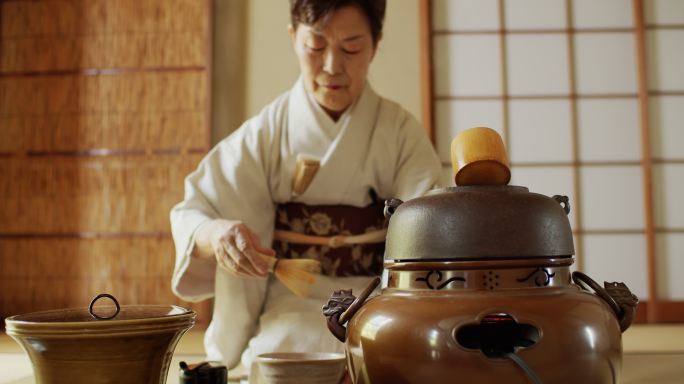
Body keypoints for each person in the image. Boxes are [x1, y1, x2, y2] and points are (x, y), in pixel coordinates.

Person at [170, 0, 442, 378]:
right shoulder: (266, 133)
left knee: (397, 356)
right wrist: (218, 235)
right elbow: (192, 213)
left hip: (375, 302)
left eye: (351, 47)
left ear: (376, 44)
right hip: (289, 304)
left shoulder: (399, 133)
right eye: (316, 46)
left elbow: (429, 229)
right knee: (275, 357)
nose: (332, 66)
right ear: (293, 37)